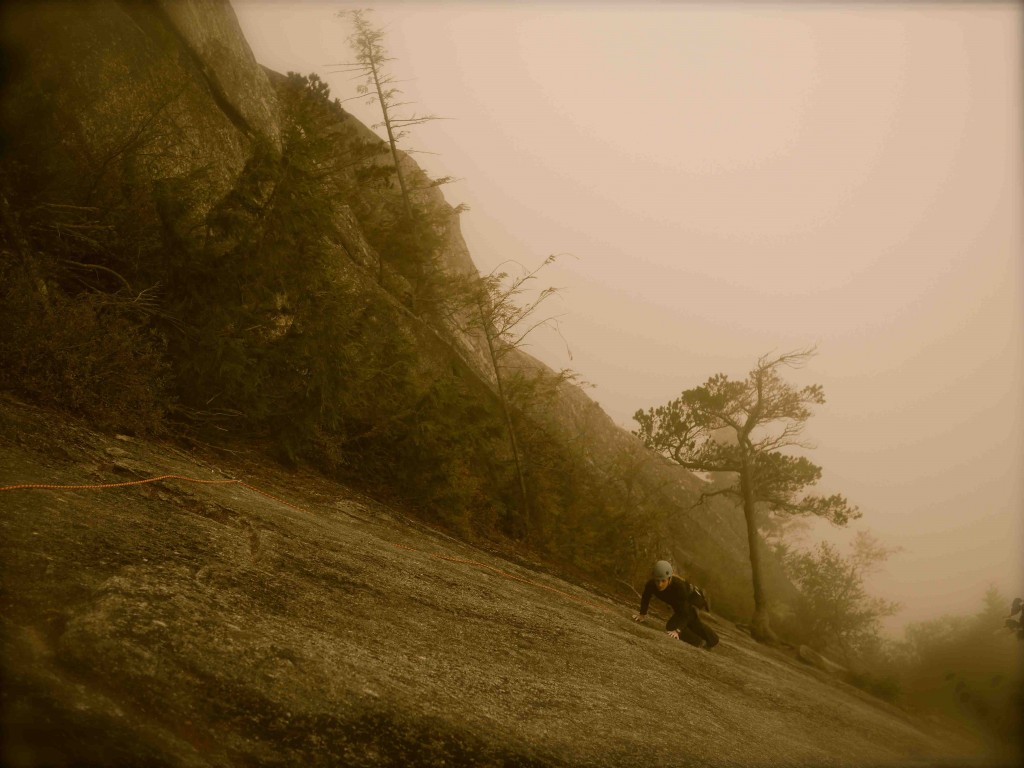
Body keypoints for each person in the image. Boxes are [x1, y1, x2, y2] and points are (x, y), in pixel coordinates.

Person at [632, 560, 719, 649]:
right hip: (681, 604)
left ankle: (704, 642)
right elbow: (646, 597)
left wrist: (677, 631)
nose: (660, 584)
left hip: (693, 600)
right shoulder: (651, 585)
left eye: (663, 581)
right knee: (687, 622)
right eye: (657, 581)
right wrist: (642, 614)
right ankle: (710, 639)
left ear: (669, 579)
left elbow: (685, 613)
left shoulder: (679, 587)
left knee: (676, 625)